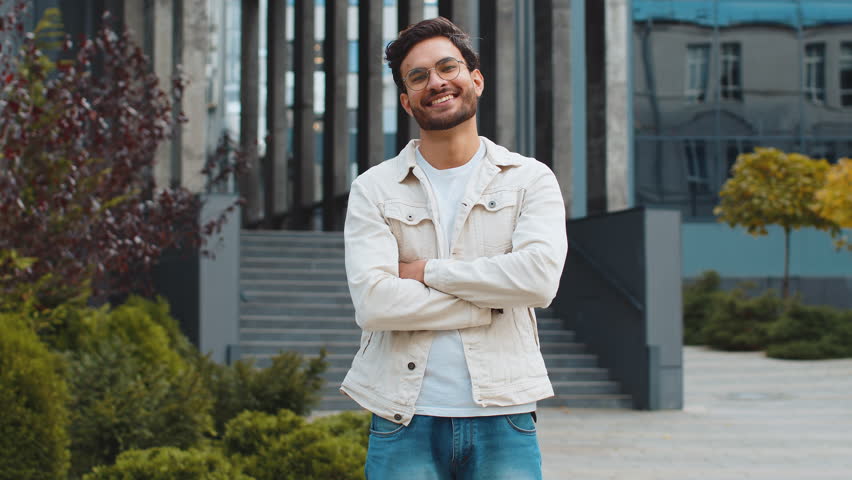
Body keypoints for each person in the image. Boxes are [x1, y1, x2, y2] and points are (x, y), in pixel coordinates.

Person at [340, 16, 568, 480]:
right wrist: (489, 302)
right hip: (403, 418)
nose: (436, 82)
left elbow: (538, 281)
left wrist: (425, 271)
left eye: (448, 67)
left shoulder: (529, 179)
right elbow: (375, 304)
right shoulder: (374, 189)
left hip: (504, 414)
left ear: (475, 80)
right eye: (418, 76)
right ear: (406, 101)